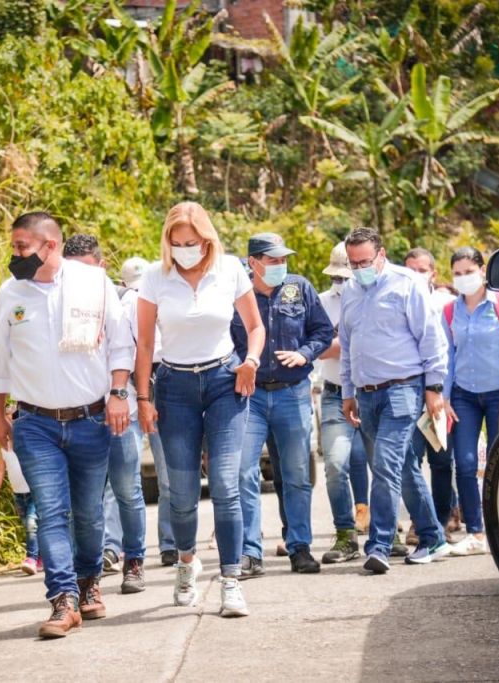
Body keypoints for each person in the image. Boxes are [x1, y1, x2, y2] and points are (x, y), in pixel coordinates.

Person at [0, 212, 133, 639]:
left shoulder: (94, 284)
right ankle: (63, 599)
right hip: (35, 424)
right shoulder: (11, 293)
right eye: (13, 246)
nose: (14, 255)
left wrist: (119, 394)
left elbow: (121, 345)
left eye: (21, 247)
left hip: (90, 420)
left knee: (88, 515)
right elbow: (1, 358)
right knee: (51, 512)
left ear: (50, 246)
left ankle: (89, 584)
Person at [135, 201, 265, 618]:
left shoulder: (228, 270)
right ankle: (187, 563)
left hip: (225, 381)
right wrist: (142, 398)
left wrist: (252, 362)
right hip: (174, 387)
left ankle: (230, 581)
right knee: (183, 494)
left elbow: (255, 328)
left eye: (191, 243)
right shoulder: (156, 278)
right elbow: (144, 344)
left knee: (227, 485)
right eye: (176, 244)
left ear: (206, 240)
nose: (184, 250)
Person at [340, 227, 450, 574]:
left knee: (386, 465)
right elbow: (347, 345)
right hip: (366, 394)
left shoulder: (407, 284)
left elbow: (431, 338)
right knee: (400, 468)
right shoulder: (349, 291)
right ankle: (433, 536)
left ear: (381, 255)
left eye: (365, 262)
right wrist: (347, 392)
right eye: (353, 263)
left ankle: (379, 545)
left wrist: (434, 387)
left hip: (403, 389)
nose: (359, 269)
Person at [231, 232, 332, 576]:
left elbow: (323, 332)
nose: (280, 265)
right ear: (253, 263)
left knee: (297, 475)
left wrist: (304, 355)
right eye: (272, 260)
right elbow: (222, 339)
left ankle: (300, 547)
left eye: (282, 259)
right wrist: (238, 363)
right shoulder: (236, 293)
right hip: (250, 396)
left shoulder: (299, 287)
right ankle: (250, 552)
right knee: (244, 472)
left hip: (292, 393)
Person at [62, 233, 147, 594]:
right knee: (83, 500)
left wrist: (126, 396)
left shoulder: (113, 296)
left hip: (117, 410)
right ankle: (86, 574)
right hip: (75, 416)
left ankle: (135, 561)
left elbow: (125, 348)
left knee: (127, 490)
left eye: (87, 270)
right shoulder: (54, 299)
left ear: (101, 267)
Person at [442, 247, 499, 556]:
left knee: (497, 462)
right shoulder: (450, 311)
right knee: (463, 463)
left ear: (482, 270)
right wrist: (445, 396)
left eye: (468, 271)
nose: (463, 278)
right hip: (463, 394)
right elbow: (448, 356)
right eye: (458, 273)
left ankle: (498, 529)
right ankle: (476, 533)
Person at [122, 255, 178, 567]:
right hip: (135, 387)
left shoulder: (168, 296)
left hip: (168, 379)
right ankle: (138, 549)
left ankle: (171, 542)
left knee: (170, 475)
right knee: (134, 478)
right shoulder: (125, 305)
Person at [316, 241, 370, 563]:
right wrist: (350, 341)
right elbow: (318, 349)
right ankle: (345, 534)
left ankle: (386, 533)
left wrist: (338, 341)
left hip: (374, 392)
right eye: (337, 277)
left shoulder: (377, 298)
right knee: (336, 465)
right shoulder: (322, 303)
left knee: (380, 463)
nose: (342, 283)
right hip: (336, 393)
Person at [403, 247, 458, 541]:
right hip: (409, 392)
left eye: (422, 270)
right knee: (410, 459)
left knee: (440, 461)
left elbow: (453, 351)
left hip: (439, 395)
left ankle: (442, 519)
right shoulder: (398, 300)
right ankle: (419, 522)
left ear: (433, 274)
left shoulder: (447, 304)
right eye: (409, 268)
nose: (415, 275)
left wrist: (444, 394)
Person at [0, 436, 41, 575]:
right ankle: (40, 556)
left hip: (33, 492)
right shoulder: (3, 449)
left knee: (32, 524)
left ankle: (31, 558)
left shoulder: (26, 443)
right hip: (18, 494)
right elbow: (0, 470)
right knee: (28, 525)